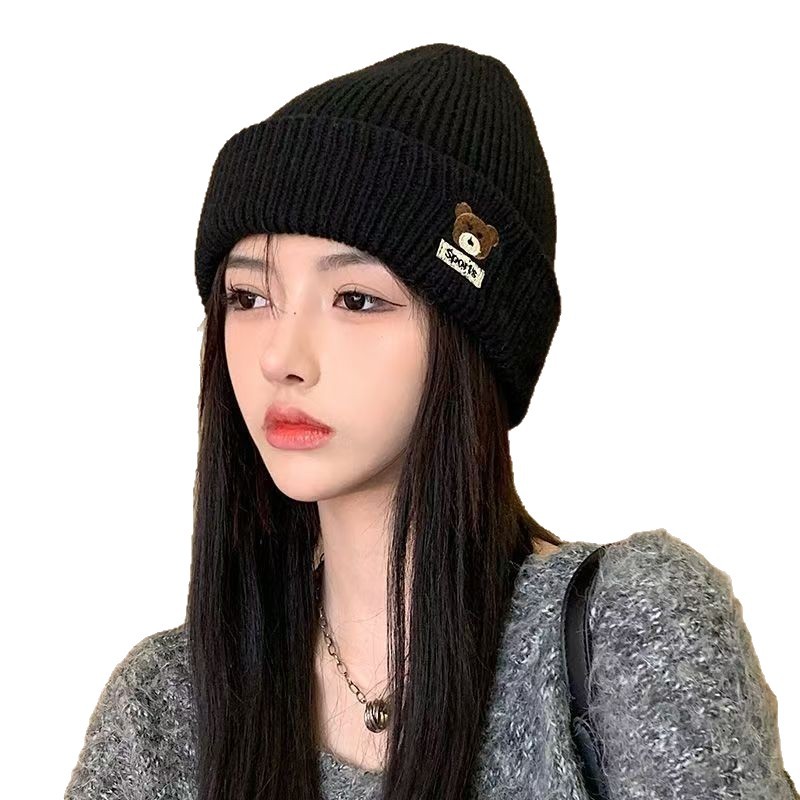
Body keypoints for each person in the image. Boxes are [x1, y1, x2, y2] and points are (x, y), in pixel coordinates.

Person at [64, 42, 797, 800]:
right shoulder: (165, 708)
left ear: (471, 340)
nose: (281, 356)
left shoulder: (628, 627)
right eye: (249, 298)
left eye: (356, 300)